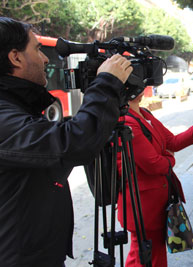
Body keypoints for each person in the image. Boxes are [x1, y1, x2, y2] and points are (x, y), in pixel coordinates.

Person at [0, 17, 133, 267]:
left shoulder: (15, 106)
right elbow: (74, 143)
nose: (45, 58)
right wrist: (107, 83)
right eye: (38, 49)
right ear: (15, 57)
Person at [117, 91, 193, 267]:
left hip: (156, 201)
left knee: (150, 256)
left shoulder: (144, 113)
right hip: (143, 206)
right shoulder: (125, 120)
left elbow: (172, 142)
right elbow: (153, 164)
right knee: (145, 257)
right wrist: (170, 159)